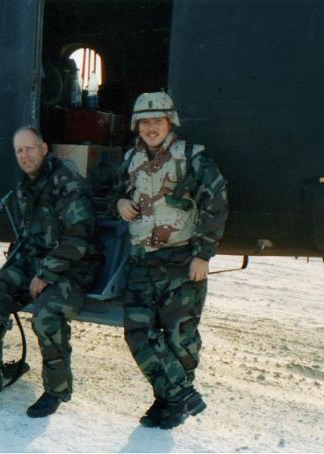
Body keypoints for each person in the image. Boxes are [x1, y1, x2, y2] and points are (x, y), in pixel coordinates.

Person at [0, 126, 102, 418]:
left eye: (29, 148)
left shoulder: (67, 183)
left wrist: (45, 274)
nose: (24, 155)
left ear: (44, 149)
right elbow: (29, 236)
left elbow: (78, 238)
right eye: (19, 151)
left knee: (46, 316)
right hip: (36, 262)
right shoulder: (26, 186)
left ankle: (56, 391)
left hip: (74, 267)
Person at [108, 92, 228, 429]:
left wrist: (203, 255)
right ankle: (182, 396)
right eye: (145, 122)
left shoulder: (192, 158)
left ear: (169, 122)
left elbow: (216, 203)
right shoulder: (130, 159)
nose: (151, 127)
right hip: (141, 263)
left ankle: (168, 402)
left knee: (180, 339)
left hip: (180, 261)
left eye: (157, 121)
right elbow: (112, 195)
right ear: (137, 126)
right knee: (138, 332)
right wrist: (118, 203)